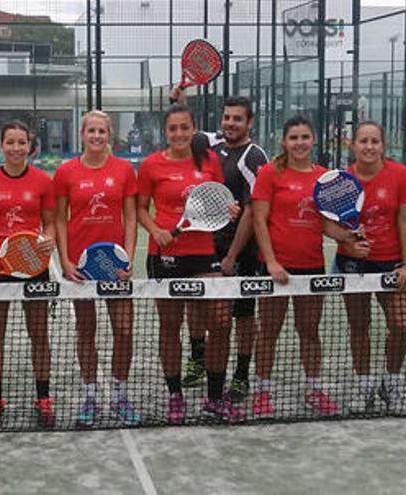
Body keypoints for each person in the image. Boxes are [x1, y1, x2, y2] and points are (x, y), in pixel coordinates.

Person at [251, 116, 367, 418]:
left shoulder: (325, 178)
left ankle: (314, 389)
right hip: (276, 269)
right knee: (269, 332)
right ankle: (262, 391)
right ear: (284, 142)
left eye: (305, 137)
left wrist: (348, 236)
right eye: (294, 138)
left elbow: (328, 227)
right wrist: (272, 262)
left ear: (313, 140)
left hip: (312, 267)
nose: (299, 143)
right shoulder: (269, 174)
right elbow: (259, 221)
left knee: (309, 330)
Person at [137, 104, 242, 424]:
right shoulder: (152, 165)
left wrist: (232, 209)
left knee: (221, 321)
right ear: (165, 132)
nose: (179, 134)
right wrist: (155, 230)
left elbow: (219, 202)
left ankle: (213, 397)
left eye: (185, 128)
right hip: (164, 257)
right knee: (170, 326)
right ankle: (174, 396)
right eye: (173, 128)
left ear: (194, 129)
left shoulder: (209, 161)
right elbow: (141, 208)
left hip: (202, 254)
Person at [172, 89, 269, 403]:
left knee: (241, 315)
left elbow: (253, 211)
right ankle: (198, 359)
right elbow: (189, 130)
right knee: (198, 306)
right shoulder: (215, 144)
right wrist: (181, 102)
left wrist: (231, 256)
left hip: (240, 254)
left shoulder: (253, 157)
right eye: (227, 117)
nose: (230, 124)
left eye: (237, 119)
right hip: (204, 248)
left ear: (249, 123)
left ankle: (240, 376)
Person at [54, 110, 140, 428]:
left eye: (101, 131)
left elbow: (130, 218)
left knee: (125, 331)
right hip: (81, 267)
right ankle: (90, 395)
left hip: (114, 268)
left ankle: (120, 394)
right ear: (82, 134)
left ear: (109, 133)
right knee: (86, 331)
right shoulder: (65, 172)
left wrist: (128, 258)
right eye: (91, 131)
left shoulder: (123, 170)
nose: (96, 136)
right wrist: (65, 261)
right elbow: (59, 220)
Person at [0, 121, 57, 429]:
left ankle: (43, 398)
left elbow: (50, 223)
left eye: (22, 143)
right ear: (2, 145)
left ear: (30, 146)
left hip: (33, 266)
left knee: (39, 336)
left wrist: (48, 240)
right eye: (11, 142)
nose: (16, 148)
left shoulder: (43, 182)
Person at [335, 121, 406, 414]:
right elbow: (334, 224)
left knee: (401, 325)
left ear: (383, 146)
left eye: (375, 141)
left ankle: (391, 382)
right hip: (352, 263)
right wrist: (349, 242)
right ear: (352, 145)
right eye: (363, 141)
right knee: (359, 326)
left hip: (391, 263)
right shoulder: (341, 180)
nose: (369, 147)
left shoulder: (401, 175)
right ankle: (364, 384)